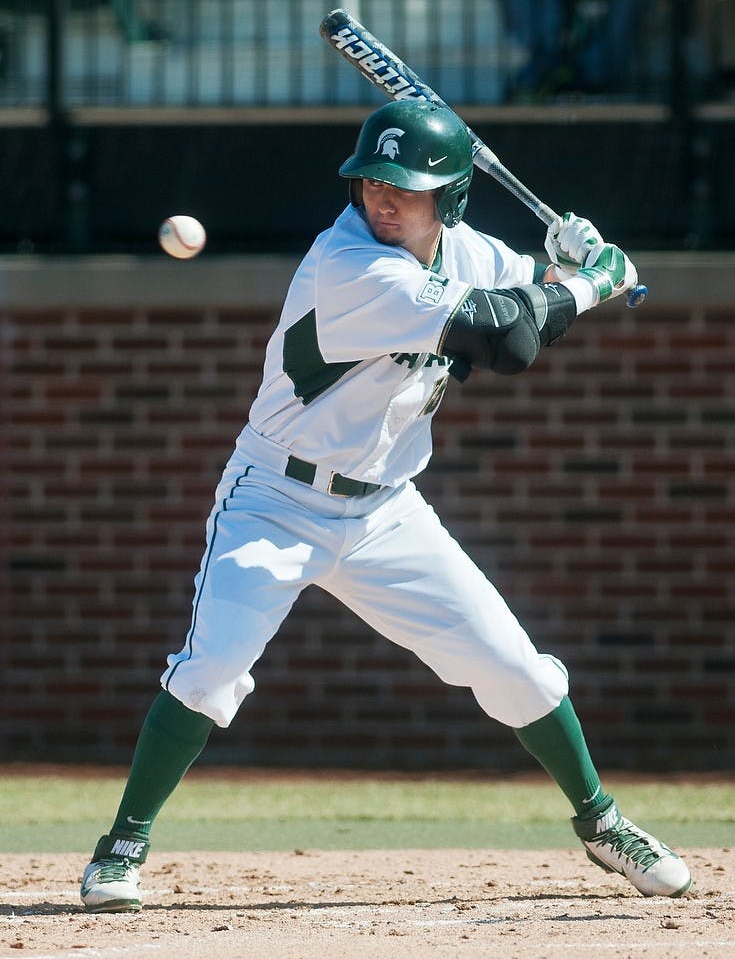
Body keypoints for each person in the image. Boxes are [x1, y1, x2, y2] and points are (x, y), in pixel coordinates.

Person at [79, 99, 691, 912]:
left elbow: (529, 298)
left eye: (408, 186)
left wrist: (569, 261)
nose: (383, 198)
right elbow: (505, 342)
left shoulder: (467, 252)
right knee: (213, 668)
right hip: (275, 499)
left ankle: (600, 821)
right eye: (373, 180)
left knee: (514, 668)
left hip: (385, 511)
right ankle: (120, 847)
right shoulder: (349, 265)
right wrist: (594, 283)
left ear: (453, 198)